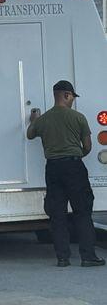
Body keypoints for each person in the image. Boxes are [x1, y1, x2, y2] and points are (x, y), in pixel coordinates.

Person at [27, 80, 105, 267]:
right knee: (83, 211)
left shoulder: (44, 120)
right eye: (72, 97)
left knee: (57, 214)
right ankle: (88, 256)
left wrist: (34, 120)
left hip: (52, 168)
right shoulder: (78, 118)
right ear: (67, 95)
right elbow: (87, 146)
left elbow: (30, 134)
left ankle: (62, 258)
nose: (72, 101)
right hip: (74, 167)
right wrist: (76, 154)